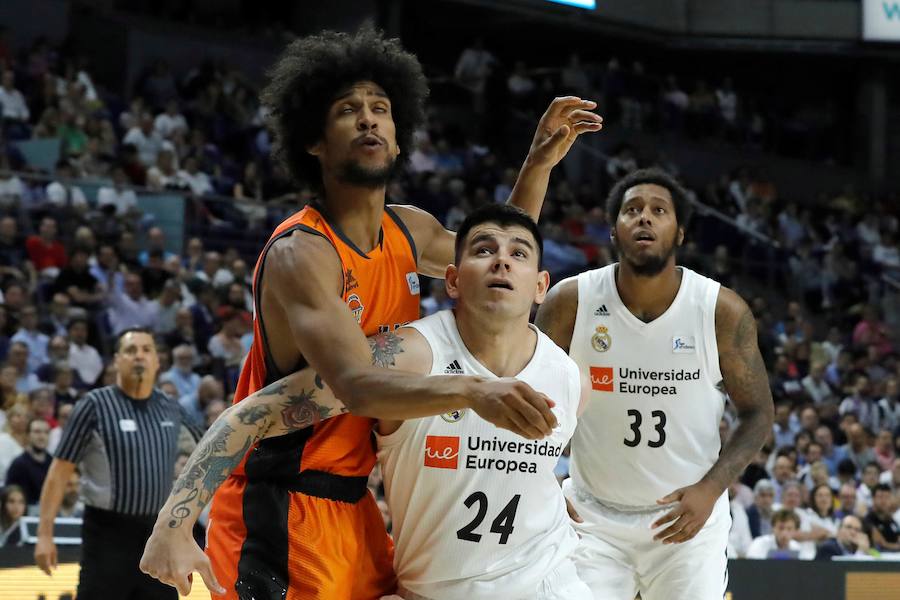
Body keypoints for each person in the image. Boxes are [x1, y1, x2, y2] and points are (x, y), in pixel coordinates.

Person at [139, 26, 601, 600]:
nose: (368, 119)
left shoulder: (410, 228)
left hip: (356, 503)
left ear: (399, 137)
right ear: (314, 141)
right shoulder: (301, 253)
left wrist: (537, 166)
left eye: (381, 109)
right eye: (347, 110)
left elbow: (494, 255)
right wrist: (470, 389)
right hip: (281, 502)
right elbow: (356, 385)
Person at [143, 205, 592, 599]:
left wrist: (551, 491)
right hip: (435, 588)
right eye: (482, 251)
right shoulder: (408, 356)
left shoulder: (569, 377)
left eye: (518, 255)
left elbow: (534, 467)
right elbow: (251, 414)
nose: (501, 263)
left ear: (540, 285)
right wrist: (173, 523)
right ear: (451, 280)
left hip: (552, 582)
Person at [534, 167, 774, 599]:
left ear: (679, 232)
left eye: (658, 210)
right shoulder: (570, 302)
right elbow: (528, 397)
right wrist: (541, 481)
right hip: (592, 518)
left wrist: (711, 488)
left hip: (688, 519)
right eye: (632, 210)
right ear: (613, 231)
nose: (644, 217)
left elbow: (758, 413)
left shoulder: (721, 310)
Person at [34, 328, 204, 600]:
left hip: (156, 536)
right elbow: (59, 472)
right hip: (106, 535)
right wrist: (44, 534)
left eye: (146, 350)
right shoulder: (94, 405)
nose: (139, 356)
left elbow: (212, 451)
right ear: (116, 360)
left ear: (158, 361)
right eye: (131, 350)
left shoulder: (172, 407)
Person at [4, 417, 51, 507]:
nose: (42, 436)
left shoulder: (53, 464)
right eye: (37, 432)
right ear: (28, 435)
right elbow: (8, 495)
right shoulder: (18, 464)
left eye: (46, 432)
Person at [865, 483, 900, 551]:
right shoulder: (868, 520)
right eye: (880, 497)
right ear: (873, 499)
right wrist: (897, 546)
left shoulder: (893, 522)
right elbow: (881, 544)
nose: (884, 501)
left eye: (887, 497)